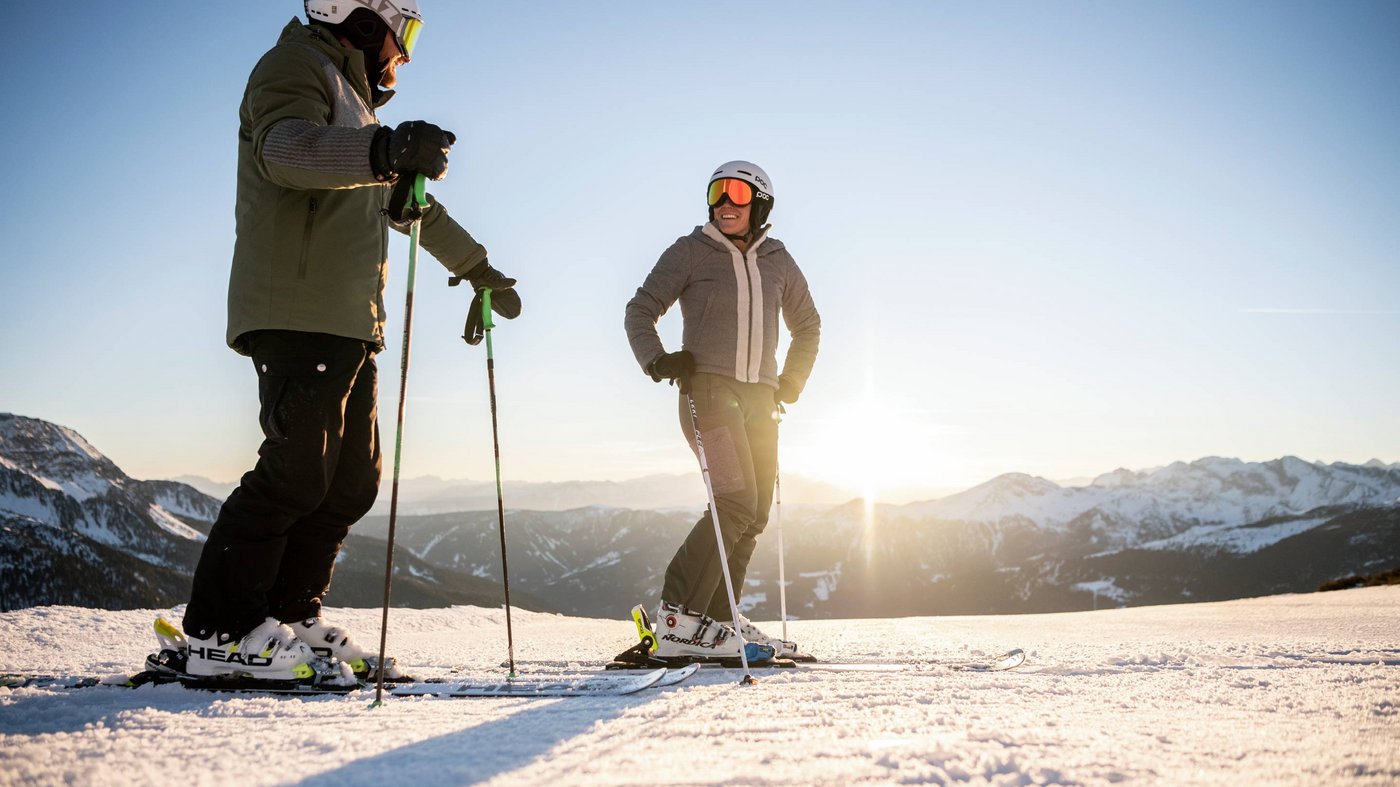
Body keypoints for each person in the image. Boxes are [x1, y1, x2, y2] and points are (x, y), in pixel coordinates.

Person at [180, 0, 519, 683]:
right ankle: (219, 632)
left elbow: (409, 203)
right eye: (404, 32)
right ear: (363, 19)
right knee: (297, 469)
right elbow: (284, 149)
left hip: (351, 320)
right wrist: (380, 149)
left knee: (348, 484)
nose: (405, 53)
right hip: (294, 307)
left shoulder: (359, 109)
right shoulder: (295, 65)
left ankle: (290, 619)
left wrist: (478, 267)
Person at [624, 161, 821, 661]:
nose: (724, 203)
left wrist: (792, 381)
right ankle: (677, 619)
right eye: (716, 193)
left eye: (736, 193)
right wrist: (658, 359)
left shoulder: (777, 258)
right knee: (733, 500)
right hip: (708, 392)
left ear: (760, 203)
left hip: (762, 398)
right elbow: (640, 309)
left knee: (752, 514)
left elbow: (809, 325)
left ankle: (714, 622)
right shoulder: (690, 250)